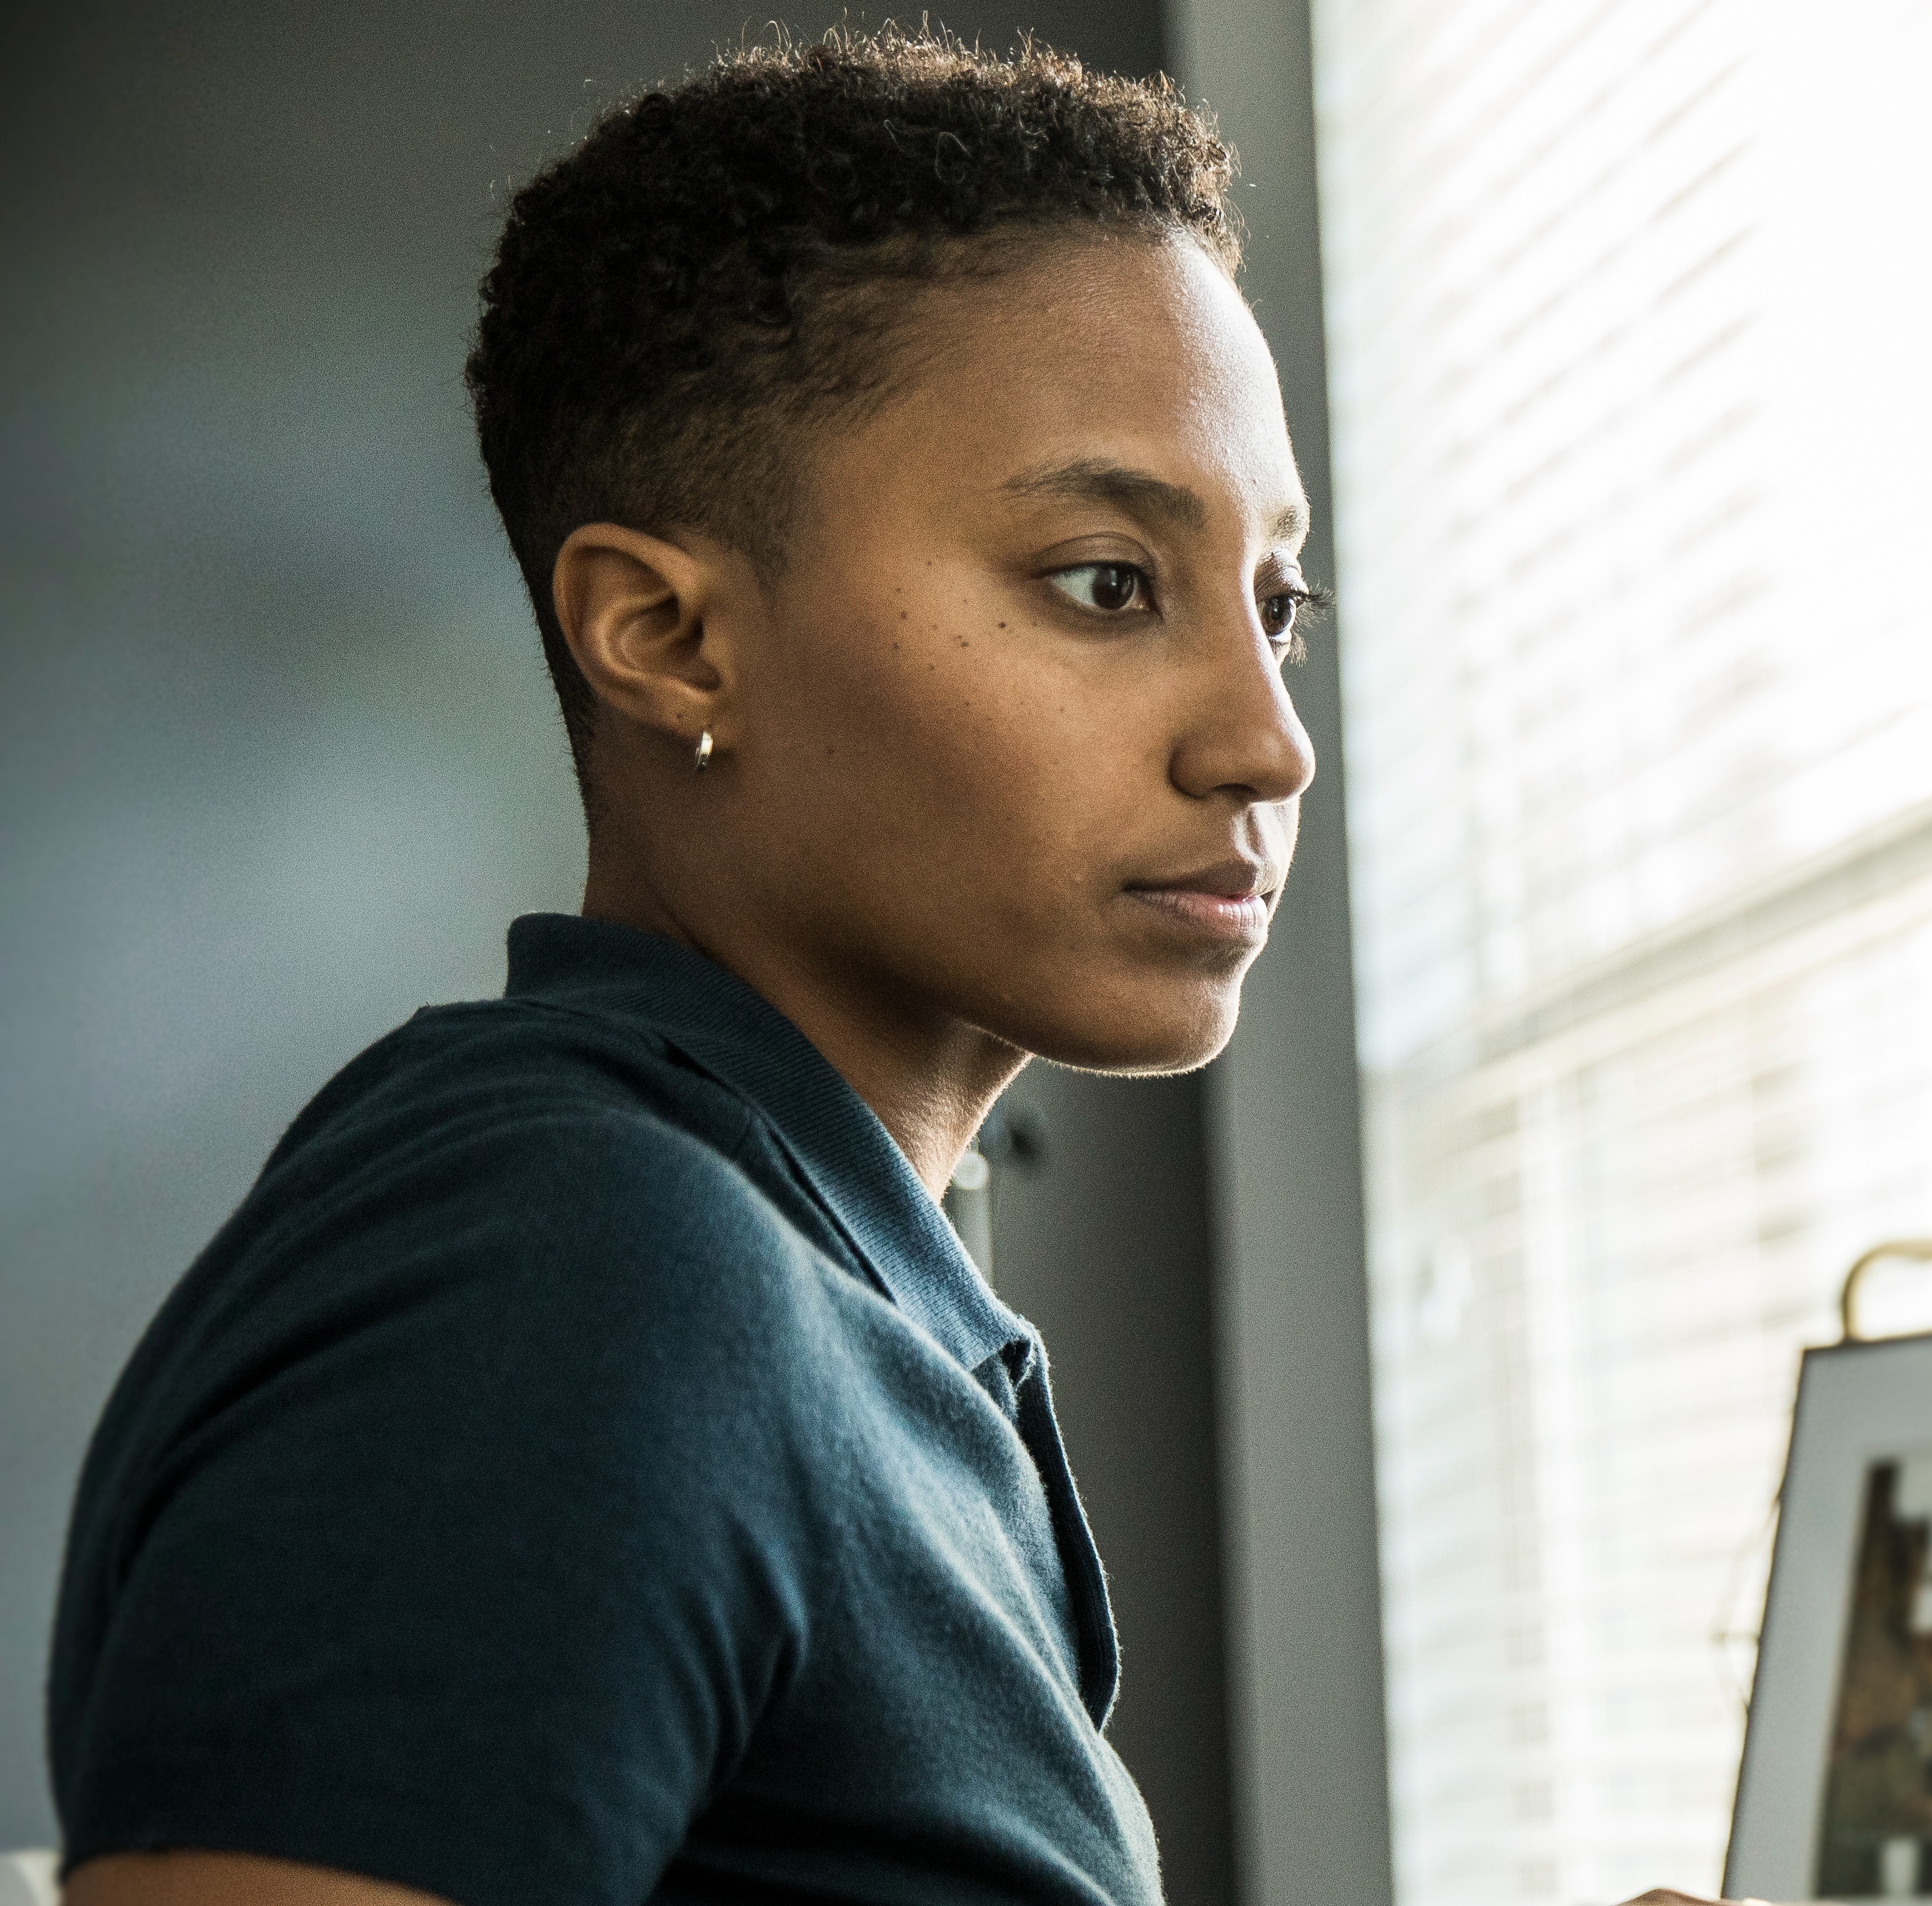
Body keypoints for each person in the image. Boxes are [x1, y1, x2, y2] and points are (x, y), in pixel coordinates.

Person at [42, 30, 1732, 1906]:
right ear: (668, 638)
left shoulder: (819, 1288)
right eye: (1106, 580)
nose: (1268, 742)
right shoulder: (576, 1262)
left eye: (1279, 605)